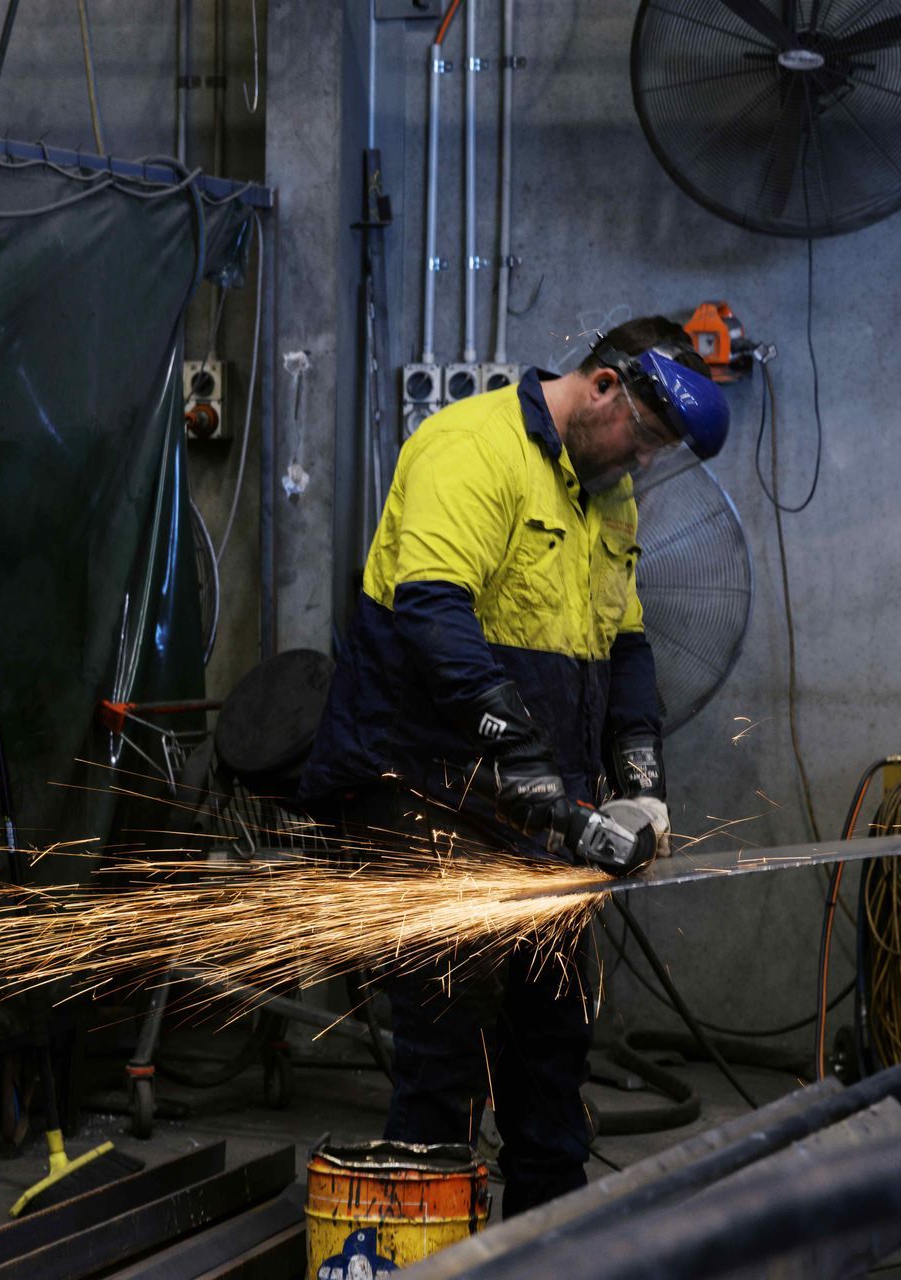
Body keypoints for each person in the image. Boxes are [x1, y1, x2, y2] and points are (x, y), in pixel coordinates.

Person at [298, 316, 730, 1216]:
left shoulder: (607, 494)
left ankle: (544, 1243)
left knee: (553, 1037)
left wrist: (639, 775)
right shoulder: (468, 447)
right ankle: (426, 1242)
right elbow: (434, 620)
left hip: (531, 800)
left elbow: (625, 641)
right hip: (421, 787)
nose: (645, 462)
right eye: (646, 438)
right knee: (450, 1034)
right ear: (605, 386)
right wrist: (526, 764)